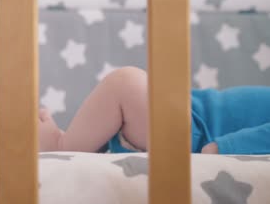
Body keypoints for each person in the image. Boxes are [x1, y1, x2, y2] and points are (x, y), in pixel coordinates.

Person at [39, 66, 270, 154]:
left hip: (193, 131)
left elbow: (214, 150)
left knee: (126, 83)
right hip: (188, 116)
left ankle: (62, 146)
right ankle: (85, 143)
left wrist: (221, 148)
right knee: (130, 90)